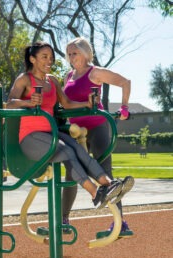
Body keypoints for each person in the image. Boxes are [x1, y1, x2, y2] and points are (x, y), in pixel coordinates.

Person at [6, 41, 133, 209]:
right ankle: (96, 194)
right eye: (44, 57)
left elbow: (66, 103)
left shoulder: (52, 81)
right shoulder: (24, 79)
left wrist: (86, 104)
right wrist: (28, 102)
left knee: (77, 148)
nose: (49, 61)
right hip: (31, 137)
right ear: (33, 59)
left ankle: (109, 184)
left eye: (51, 58)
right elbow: (9, 104)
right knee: (66, 151)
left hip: (51, 133)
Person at [62, 37, 134, 238]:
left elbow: (125, 82)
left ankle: (120, 223)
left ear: (85, 53)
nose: (71, 57)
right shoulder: (69, 75)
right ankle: (63, 220)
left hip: (97, 127)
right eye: (68, 54)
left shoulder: (95, 72)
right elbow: (66, 101)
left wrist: (125, 107)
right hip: (76, 131)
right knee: (72, 173)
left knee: (105, 174)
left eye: (74, 53)